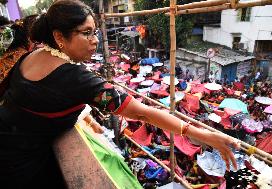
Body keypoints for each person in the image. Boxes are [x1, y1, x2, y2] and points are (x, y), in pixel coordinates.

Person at [0, 0, 239, 188]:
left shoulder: (36, 54)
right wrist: (203, 135)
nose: (95, 41)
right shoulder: (75, 78)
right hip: (21, 163)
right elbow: (142, 114)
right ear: (59, 37)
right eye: (86, 33)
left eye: (95, 32)